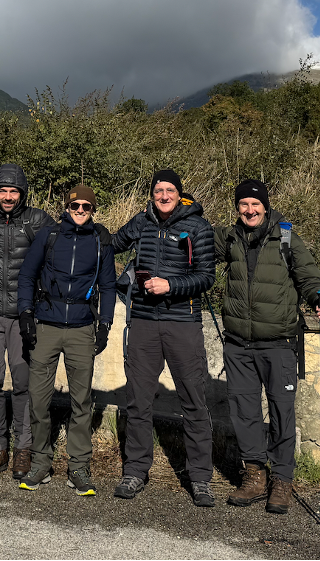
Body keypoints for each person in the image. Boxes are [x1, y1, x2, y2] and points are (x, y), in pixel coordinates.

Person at [214, 179, 320, 515]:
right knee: (244, 412)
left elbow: (310, 277)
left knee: (282, 412)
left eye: (255, 205)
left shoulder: (286, 237)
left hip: (278, 343)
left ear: (265, 206)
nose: (249, 210)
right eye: (243, 205)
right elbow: (194, 246)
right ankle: (254, 475)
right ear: (237, 208)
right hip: (238, 344)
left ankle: (282, 479)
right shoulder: (229, 237)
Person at [111, 170, 216, 507]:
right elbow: (110, 244)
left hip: (182, 322)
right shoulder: (141, 222)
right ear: (151, 194)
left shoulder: (198, 227)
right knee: (138, 401)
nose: (164, 195)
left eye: (170, 189)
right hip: (142, 320)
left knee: (194, 402)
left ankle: (200, 478)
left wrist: (170, 286)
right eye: (158, 190)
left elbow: (206, 276)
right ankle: (136, 471)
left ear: (180, 194)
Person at [15, 185, 116, 496]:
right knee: (39, 398)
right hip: (45, 325)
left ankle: (79, 467)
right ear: (67, 207)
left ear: (93, 209)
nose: (81, 211)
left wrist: (105, 326)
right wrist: (26, 315)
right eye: (76, 206)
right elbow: (27, 276)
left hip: (82, 329)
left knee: (81, 401)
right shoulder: (49, 236)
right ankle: (41, 463)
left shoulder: (101, 241)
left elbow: (109, 286)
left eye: (87, 206)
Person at [0, 164, 56, 479]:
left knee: (23, 385)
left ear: (23, 193)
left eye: (14, 191)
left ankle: (23, 449)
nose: (8, 197)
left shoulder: (37, 221)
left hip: (25, 316)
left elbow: (64, 246)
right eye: (2, 191)